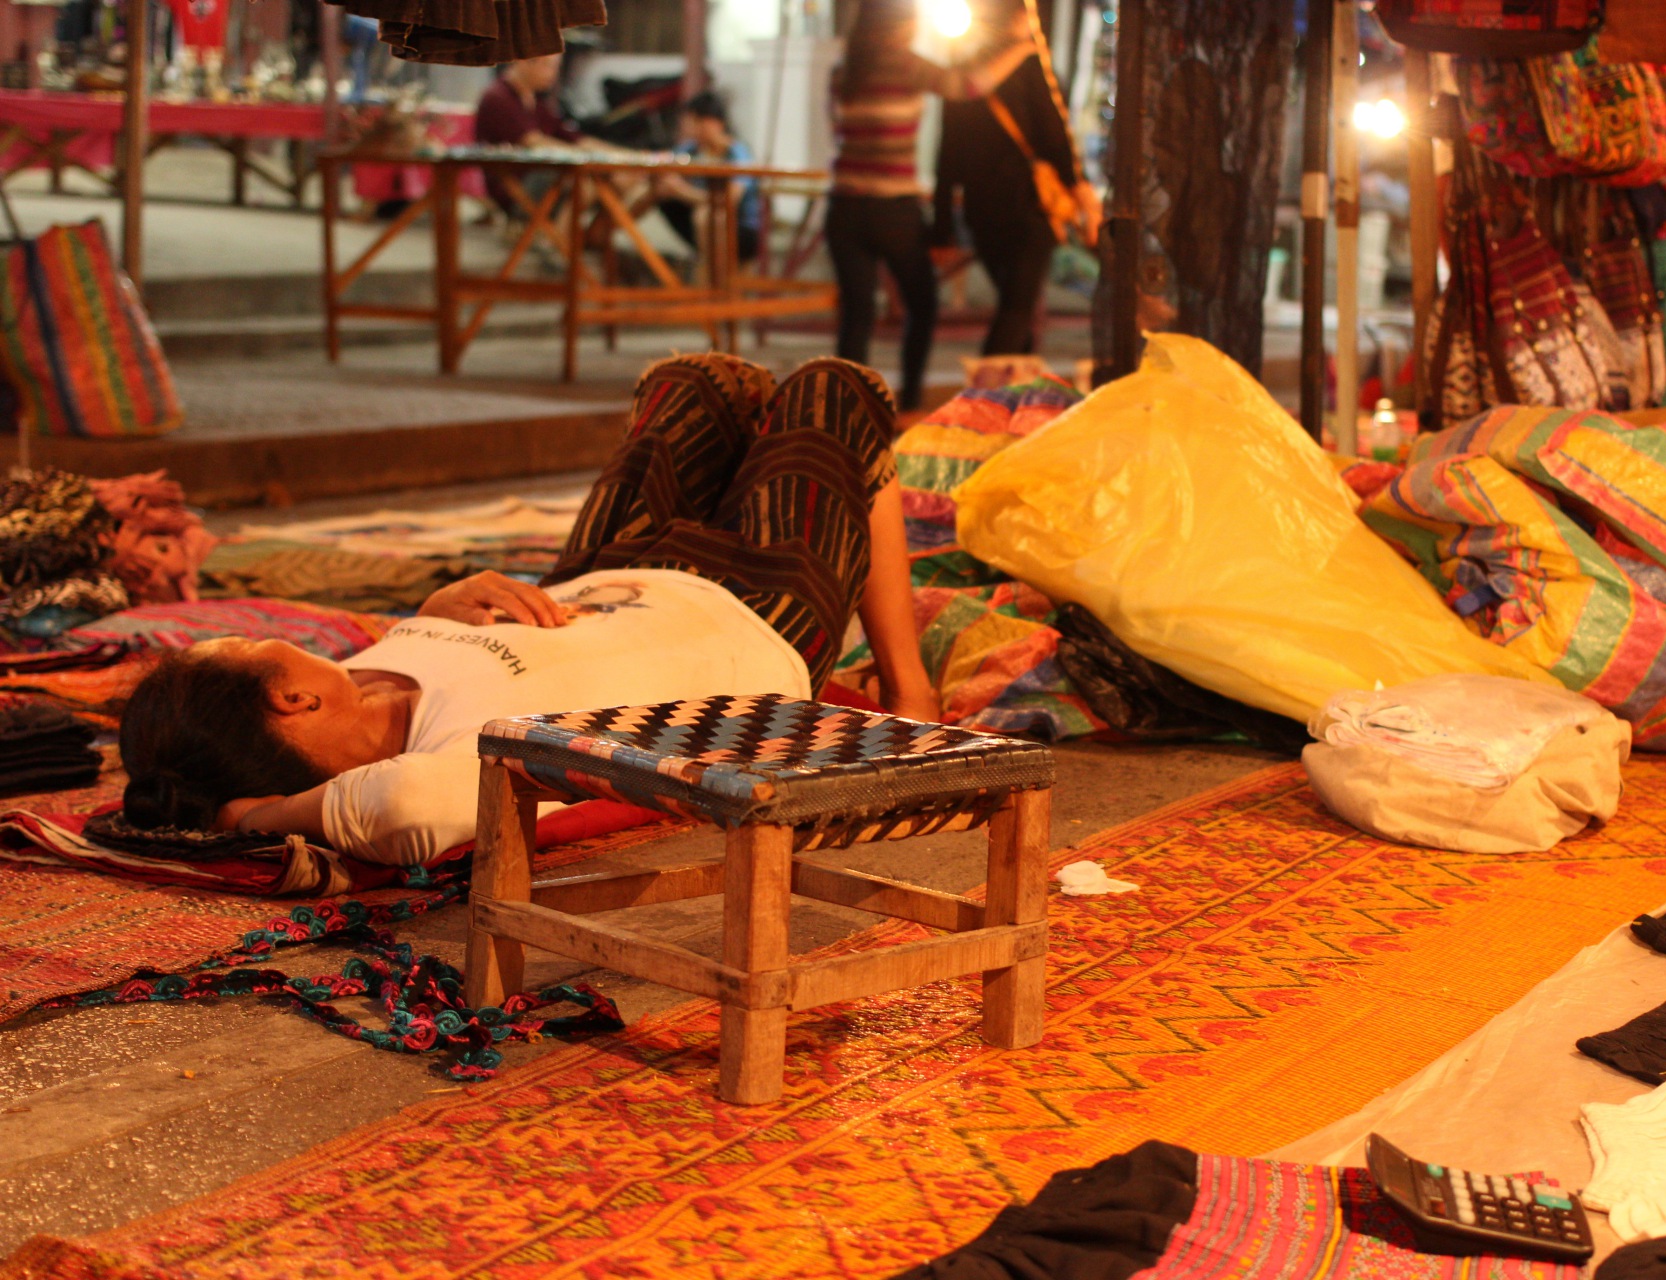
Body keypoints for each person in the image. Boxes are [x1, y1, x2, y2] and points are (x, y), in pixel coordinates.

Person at [117, 356, 943, 866]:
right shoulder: (456, 764)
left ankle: (741, 434)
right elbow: (400, 810)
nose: (276, 638)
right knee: (834, 391)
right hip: (752, 616)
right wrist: (253, 816)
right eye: (254, 644)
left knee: (695, 383)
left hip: (602, 571)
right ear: (291, 700)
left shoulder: (360, 671)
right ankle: (914, 689)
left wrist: (434, 609)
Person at [825, 0, 1036, 411]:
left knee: (857, 315)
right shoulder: (907, 65)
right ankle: (909, 401)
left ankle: (846, 413)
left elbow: (838, 128)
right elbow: (968, 86)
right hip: (893, 210)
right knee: (921, 305)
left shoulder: (843, 71)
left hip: (843, 210)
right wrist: (1020, 50)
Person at [931, 2, 1102, 356]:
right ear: (1019, 17)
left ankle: (1014, 384)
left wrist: (942, 223)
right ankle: (987, 385)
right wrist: (1081, 190)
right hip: (1027, 208)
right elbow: (1055, 135)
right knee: (1017, 309)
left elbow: (946, 155)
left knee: (1018, 308)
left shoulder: (963, 72)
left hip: (981, 210)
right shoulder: (1030, 64)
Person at [653, 91, 764, 268]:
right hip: (702, 217)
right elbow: (662, 160)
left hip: (741, 227)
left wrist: (682, 191)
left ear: (714, 122)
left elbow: (730, 199)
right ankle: (611, 229)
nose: (690, 128)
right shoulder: (691, 149)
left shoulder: (737, 153)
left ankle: (710, 278)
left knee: (707, 216)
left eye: (695, 122)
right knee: (654, 189)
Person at [473, 53, 583, 210]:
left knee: (608, 179)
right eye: (548, 66)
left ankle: (552, 225)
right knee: (585, 182)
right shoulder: (497, 98)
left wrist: (617, 155)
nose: (553, 74)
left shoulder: (535, 101)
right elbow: (532, 141)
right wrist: (585, 157)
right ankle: (543, 227)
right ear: (524, 62)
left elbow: (575, 138)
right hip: (513, 187)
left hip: (540, 178)